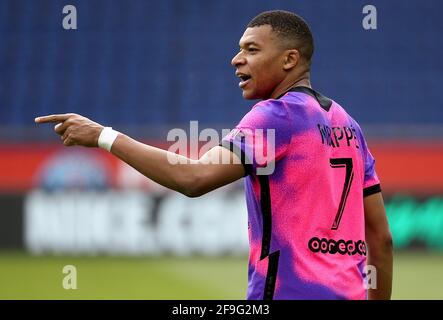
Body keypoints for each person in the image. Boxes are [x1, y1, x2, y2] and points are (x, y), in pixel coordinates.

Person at [35, 10, 392, 300]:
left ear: (289, 59)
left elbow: (193, 178)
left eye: (252, 50)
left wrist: (104, 136)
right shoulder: (348, 125)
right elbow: (381, 238)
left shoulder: (277, 115)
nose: (236, 60)